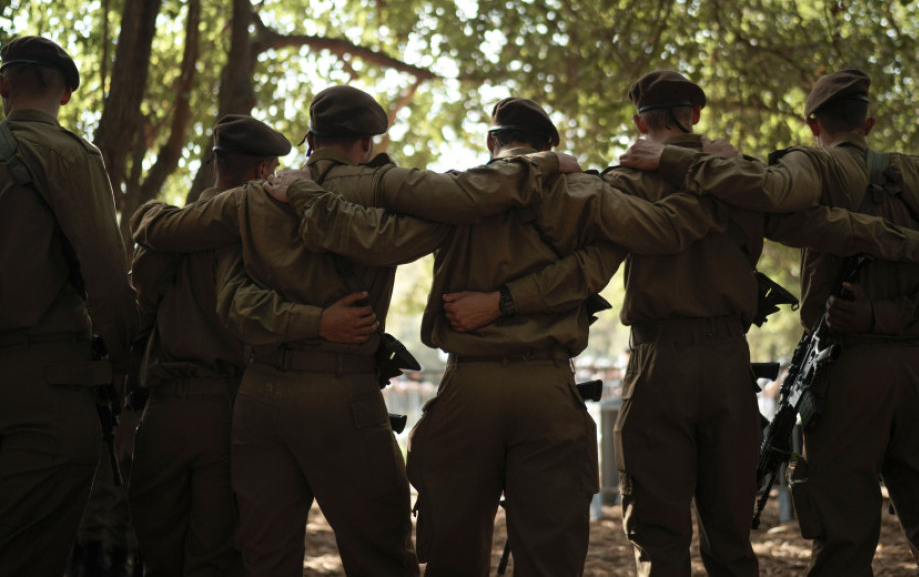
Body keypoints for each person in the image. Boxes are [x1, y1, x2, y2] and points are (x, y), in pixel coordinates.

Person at [269, 94, 919, 577]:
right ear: (551, 149)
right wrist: (696, 170)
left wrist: (304, 188)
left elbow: (367, 230)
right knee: (553, 552)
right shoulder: (593, 195)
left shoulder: (457, 195)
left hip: (468, 387)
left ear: (494, 146)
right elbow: (672, 231)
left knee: (452, 550)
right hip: (549, 387)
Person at [129, 85, 599, 577]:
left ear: (310, 139)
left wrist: (151, 214)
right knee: (380, 553)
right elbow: (467, 198)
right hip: (342, 394)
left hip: (261, 397)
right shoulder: (384, 187)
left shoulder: (254, 197)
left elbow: (170, 238)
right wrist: (542, 164)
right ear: (366, 145)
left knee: (264, 558)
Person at [618, 68, 919, 576]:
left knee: (840, 540)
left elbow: (782, 200)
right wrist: (918, 253)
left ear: (813, 124)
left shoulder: (804, 166)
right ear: (869, 123)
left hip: (844, 368)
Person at [127, 115, 293, 577]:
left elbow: (141, 298)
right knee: (216, 552)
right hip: (231, 407)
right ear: (263, 172)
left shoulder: (168, 232)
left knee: (156, 547)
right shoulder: (263, 234)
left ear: (216, 163)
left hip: (164, 409)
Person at [0, 36, 138, 576]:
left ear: (4, 86)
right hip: (44, 392)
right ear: (64, 95)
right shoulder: (68, 155)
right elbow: (106, 278)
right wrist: (131, 377)